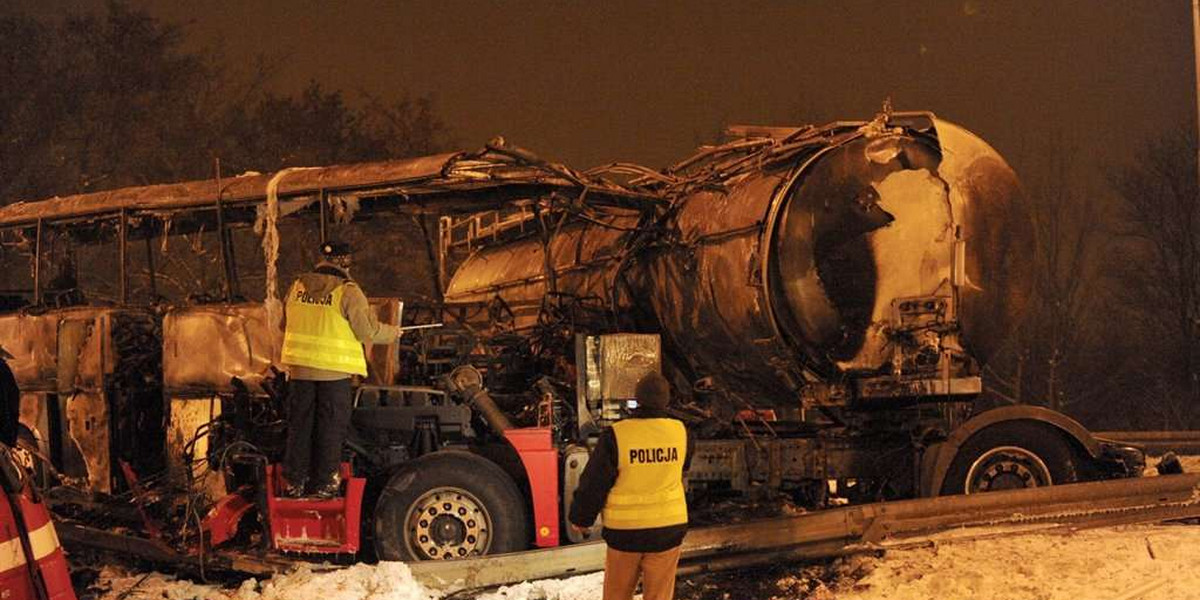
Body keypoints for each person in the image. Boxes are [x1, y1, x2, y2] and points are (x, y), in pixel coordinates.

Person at [279, 241, 401, 498]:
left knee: (300, 426)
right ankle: (325, 484)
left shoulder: (296, 286)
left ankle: (294, 482)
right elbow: (366, 331)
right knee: (330, 428)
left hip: (300, 372)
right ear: (345, 262)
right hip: (333, 375)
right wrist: (393, 333)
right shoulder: (348, 291)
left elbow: (283, 324)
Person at [568, 372, 693, 600]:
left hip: (625, 534)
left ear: (638, 399)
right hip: (668, 530)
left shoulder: (617, 435)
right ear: (666, 400)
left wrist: (581, 518)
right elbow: (682, 467)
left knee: (617, 595)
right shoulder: (682, 433)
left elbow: (594, 482)